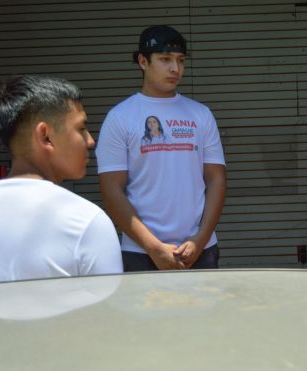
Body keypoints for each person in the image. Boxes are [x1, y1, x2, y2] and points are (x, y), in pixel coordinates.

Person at [0, 75, 123, 288]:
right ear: (45, 136)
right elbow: (108, 316)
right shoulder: (85, 223)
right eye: (81, 128)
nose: (90, 140)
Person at [96, 25, 227, 271]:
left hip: (200, 248)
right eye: (165, 59)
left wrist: (199, 240)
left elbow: (217, 180)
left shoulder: (201, 114)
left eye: (180, 60)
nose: (175, 69)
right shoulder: (120, 117)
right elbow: (112, 189)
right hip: (141, 250)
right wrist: (153, 247)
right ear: (143, 61)